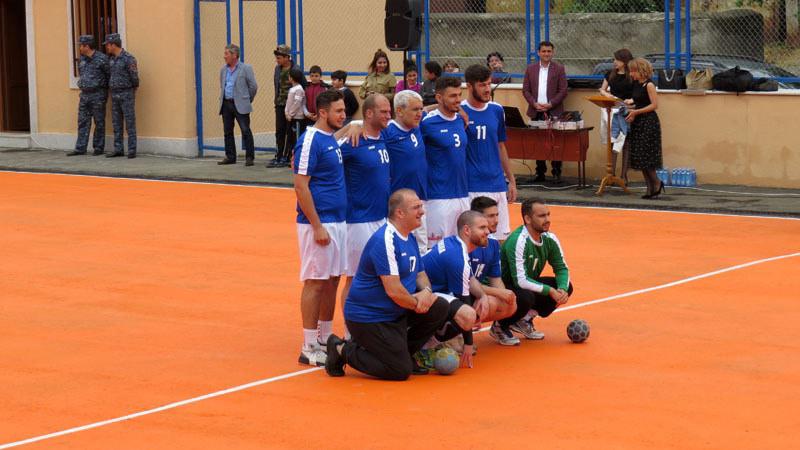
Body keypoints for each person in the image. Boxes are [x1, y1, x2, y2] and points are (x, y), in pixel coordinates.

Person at [324, 189, 449, 380]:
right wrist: (418, 303)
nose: (422, 211)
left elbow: (421, 274)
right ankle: (342, 348)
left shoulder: (409, 237)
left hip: (396, 311)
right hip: (369, 318)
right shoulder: (385, 240)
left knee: (439, 307)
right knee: (400, 371)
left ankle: (401, 354)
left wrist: (426, 291)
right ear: (400, 213)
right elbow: (394, 291)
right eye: (416, 207)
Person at [292, 89, 348, 366]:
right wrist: (317, 226)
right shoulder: (309, 140)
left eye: (344, 110)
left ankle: (325, 337)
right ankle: (308, 344)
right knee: (315, 282)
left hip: (338, 221)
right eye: (338, 111)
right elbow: (300, 186)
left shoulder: (330, 139)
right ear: (323, 113)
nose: (343, 115)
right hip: (319, 223)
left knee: (332, 279)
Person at [419, 211, 500, 369]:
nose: (488, 231)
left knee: (474, 306)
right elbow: (465, 305)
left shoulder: (455, 244)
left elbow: (470, 278)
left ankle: (430, 340)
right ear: (467, 230)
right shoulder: (457, 257)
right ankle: (425, 346)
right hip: (420, 295)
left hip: (428, 292)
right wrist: (468, 343)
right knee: (468, 314)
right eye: (482, 228)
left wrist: (483, 296)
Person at [340, 94, 392, 324]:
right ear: (369, 113)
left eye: (389, 111)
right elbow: (322, 151)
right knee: (354, 278)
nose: (389, 115)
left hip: (382, 218)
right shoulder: (352, 142)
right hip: (358, 221)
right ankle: (350, 330)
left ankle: (371, 324)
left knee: (380, 275)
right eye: (384, 112)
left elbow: (413, 114)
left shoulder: (384, 136)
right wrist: (349, 127)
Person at [494, 197, 573, 343]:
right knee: (526, 296)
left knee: (566, 286)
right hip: (503, 287)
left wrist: (561, 289)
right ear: (528, 219)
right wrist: (550, 291)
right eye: (542, 216)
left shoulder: (550, 238)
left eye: (548, 214)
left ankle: (523, 319)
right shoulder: (518, 240)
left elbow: (561, 268)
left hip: (523, 284)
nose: (547, 219)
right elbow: (520, 281)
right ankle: (499, 326)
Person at [462, 64, 517, 241]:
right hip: (471, 186)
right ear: (469, 86)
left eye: (489, 84)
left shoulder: (497, 110)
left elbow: (501, 146)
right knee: (475, 240)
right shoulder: (459, 112)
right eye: (482, 85)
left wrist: (511, 180)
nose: (487, 89)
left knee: (500, 240)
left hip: (497, 184)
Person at [420, 76, 469, 249]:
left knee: (462, 248)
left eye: (459, 95)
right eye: (453, 96)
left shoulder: (460, 120)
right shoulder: (427, 123)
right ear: (439, 98)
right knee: (437, 250)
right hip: (438, 197)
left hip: (462, 194)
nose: (458, 100)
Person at [468, 196, 518, 344]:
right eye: (491, 216)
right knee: (491, 302)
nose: (496, 220)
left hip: (474, 292)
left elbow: (495, 279)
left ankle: (496, 327)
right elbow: (465, 283)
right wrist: (499, 293)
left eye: (497, 215)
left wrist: (506, 296)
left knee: (512, 303)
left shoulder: (494, 244)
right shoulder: (465, 244)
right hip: (454, 293)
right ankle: (451, 334)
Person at [384, 90, 429, 252]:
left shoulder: (416, 126)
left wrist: (460, 110)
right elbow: (366, 128)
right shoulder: (388, 131)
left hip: (419, 200)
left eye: (420, 109)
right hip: (400, 205)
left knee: (422, 249)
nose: (420, 113)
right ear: (399, 111)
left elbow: (430, 109)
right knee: (399, 248)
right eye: (415, 109)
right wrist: (353, 126)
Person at [522, 41, 568, 181]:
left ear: (553, 52)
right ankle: (540, 173)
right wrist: (534, 104)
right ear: (538, 53)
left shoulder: (559, 69)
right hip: (536, 111)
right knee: (538, 142)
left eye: (549, 51)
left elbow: (563, 90)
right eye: (543, 51)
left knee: (555, 142)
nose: (546, 54)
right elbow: (526, 90)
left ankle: (556, 173)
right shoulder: (530, 69)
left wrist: (550, 104)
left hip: (553, 111)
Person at [626, 58, 664, 199]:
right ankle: (649, 187)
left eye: (633, 71)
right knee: (639, 156)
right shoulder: (636, 84)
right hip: (638, 122)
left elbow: (654, 105)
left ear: (641, 70)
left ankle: (657, 183)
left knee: (647, 155)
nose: (631, 74)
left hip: (648, 122)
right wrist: (630, 109)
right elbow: (639, 102)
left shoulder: (649, 85)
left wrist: (636, 112)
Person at [68, 35, 109, 157]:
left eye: (81, 46)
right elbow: (82, 74)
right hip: (84, 95)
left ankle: (98, 147)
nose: (79, 48)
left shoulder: (102, 59)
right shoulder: (82, 60)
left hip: (98, 95)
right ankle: (80, 148)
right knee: (82, 121)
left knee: (99, 122)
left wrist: (101, 88)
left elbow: (109, 75)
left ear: (87, 46)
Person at [218, 44, 258, 166]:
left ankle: (249, 157)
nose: (224, 56)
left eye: (227, 54)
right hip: (226, 103)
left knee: (245, 130)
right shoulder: (223, 70)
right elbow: (222, 85)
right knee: (227, 131)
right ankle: (230, 156)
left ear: (234, 55)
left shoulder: (246, 68)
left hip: (240, 104)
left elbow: (253, 86)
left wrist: (246, 99)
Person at [599, 48, 634, 182]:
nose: (614, 62)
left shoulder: (632, 75)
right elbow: (602, 89)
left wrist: (631, 102)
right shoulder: (610, 74)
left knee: (626, 143)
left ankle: (624, 175)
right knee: (613, 142)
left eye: (617, 60)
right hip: (612, 111)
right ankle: (611, 174)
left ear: (625, 61)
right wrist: (606, 94)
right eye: (614, 59)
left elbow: (637, 93)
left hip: (627, 111)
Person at [103, 33, 138, 159]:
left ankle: (132, 150)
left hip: (126, 93)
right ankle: (118, 149)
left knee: (129, 122)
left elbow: (134, 77)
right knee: (116, 122)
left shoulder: (128, 58)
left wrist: (131, 90)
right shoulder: (111, 60)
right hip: (114, 94)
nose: (107, 47)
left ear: (113, 45)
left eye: (108, 45)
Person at [272, 44, 305, 168]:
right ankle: (278, 155)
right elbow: (277, 85)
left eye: (279, 58)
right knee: (279, 131)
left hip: (292, 107)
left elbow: (302, 86)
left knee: (290, 132)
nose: (277, 60)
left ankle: (287, 156)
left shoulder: (296, 69)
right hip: (280, 105)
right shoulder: (277, 69)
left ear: (287, 57)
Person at [284, 67, 307, 166]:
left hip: (297, 118)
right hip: (291, 117)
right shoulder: (293, 89)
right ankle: (291, 158)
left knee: (296, 140)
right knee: (291, 139)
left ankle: (297, 160)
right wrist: (286, 112)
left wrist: (291, 114)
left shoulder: (299, 89)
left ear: (292, 78)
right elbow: (288, 103)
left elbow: (297, 103)